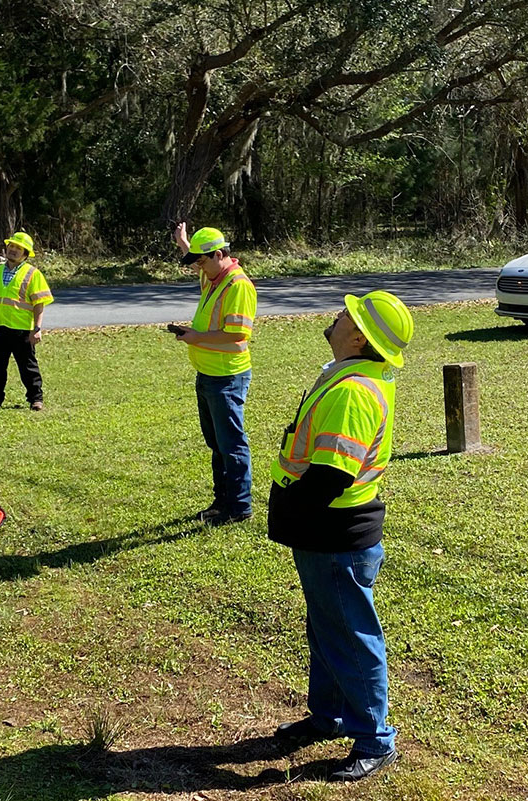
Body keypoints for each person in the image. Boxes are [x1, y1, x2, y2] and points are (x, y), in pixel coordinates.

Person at [266, 289, 414, 782]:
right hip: (328, 532)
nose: (335, 315)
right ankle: (327, 716)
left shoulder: (353, 391)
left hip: (334, 534)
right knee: (328, 627)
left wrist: (291, 511)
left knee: (352, 635)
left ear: (357, 335)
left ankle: (375, 738)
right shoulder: (356, 376)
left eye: (345, 314)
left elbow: (331, 476)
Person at [171, 223, 257, 526]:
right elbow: (196, 259)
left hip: (226, 378)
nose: (198, 267)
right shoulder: (213, 275)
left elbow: (237, 335)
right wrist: (184, 244)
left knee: (231, 444)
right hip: (207, 374)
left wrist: (196, 338)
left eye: (202, 260)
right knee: (217, 444)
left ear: (220, 254)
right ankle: (222, 502)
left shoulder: (237, 285)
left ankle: (239, 506)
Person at [0, 231, 53, 411]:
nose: (13, 250)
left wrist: (37, 328)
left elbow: (39, 304)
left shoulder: (33, 274)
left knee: (28, 367)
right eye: (11, 246)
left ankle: (36, 399)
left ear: (26, 254)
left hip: (21, 330)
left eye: (19, 248)